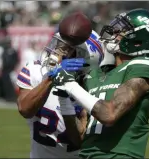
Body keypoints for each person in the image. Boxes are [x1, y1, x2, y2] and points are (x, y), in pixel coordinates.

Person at [53, 9, 149, 158]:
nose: (114, 32)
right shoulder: (94, 75)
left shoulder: (144, 66)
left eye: (123, 31)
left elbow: (109, 114)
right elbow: (79, 138)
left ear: (139, 42)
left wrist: (69, 84)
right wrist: (64, 100)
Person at [16, 21, 103, 159]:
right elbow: (25, 109)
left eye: (67, 49)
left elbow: (79, 140)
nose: (57, 51)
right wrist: (51, 78)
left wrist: (66, 100)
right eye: (59, 44)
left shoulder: (92, 88)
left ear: (85, 58)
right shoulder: (36, 71)